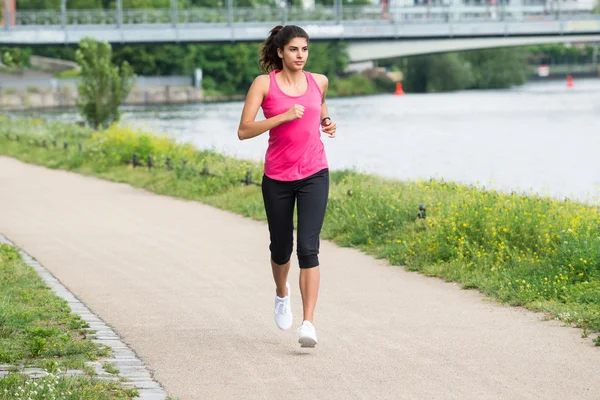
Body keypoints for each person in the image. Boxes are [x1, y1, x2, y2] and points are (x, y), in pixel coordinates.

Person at [237, 24, 336, 348]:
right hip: (278, 176)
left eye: (305, 49)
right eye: (294, 49)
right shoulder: (264, 84)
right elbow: (244, 130)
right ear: (280, 52)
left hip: (314, 173)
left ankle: (308, 323)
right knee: (281, 248)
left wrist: (326, 122)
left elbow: (318, 107)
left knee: (309, 248)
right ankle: (282, 293)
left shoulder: (318, 81)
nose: (300, 55)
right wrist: (282, 117)